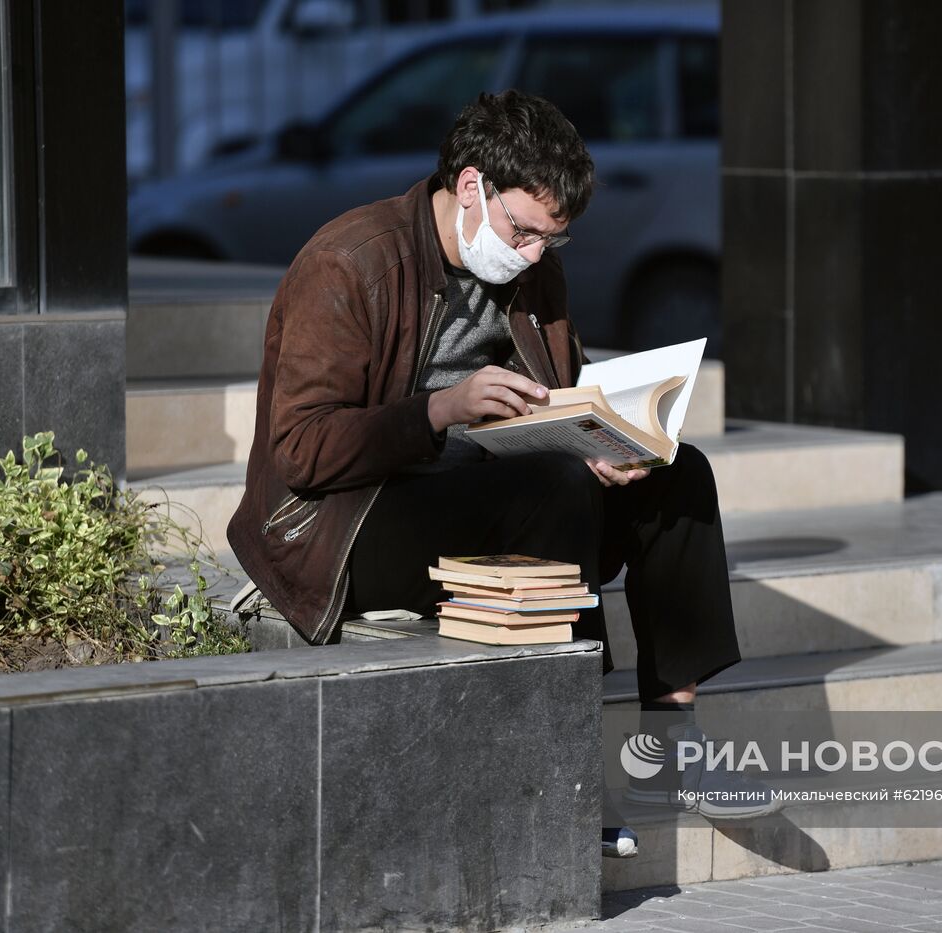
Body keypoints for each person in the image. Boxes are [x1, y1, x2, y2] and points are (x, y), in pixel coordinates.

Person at [227, 91, 774, 861]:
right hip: (343, 525)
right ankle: (566, 781)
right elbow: (301, 451)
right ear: (473, 186)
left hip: (492, 494)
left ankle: (672, 738)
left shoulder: (535, 275)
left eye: (553, 239)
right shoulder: (350, 262)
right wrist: (441, 409)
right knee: (553, 490)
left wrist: (602, 442)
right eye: (523, 230)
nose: (533, 254)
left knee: (678, 476)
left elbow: (558, 396)